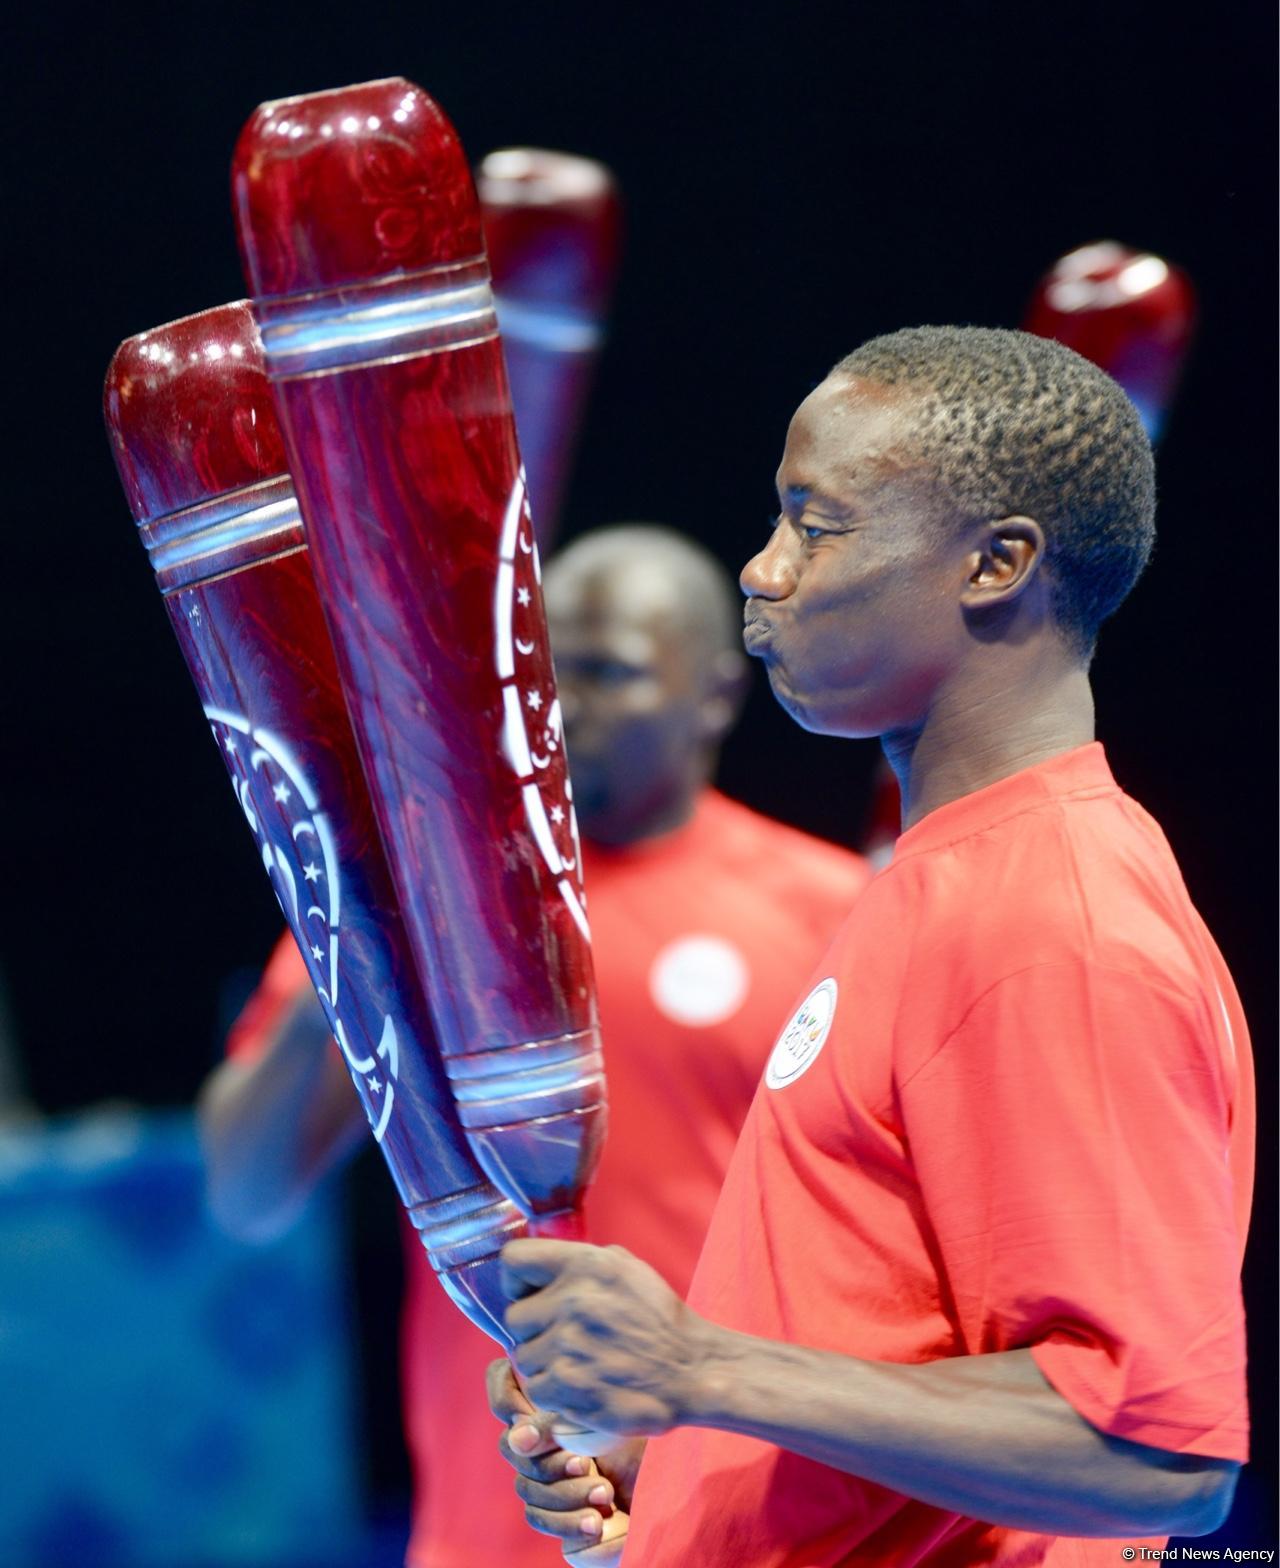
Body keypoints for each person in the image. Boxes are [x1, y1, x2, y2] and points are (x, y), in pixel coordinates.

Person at [488, 327, 1254, 1568]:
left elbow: (1152, 1452)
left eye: (815, 523)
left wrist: (698, 1368)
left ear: (997, 563)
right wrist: (681, 1457)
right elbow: (899, 1346)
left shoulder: (1047, 921)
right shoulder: (939, 885)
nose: (760, 569)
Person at [198, 524, 871, 1568]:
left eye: (607, 671)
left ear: (715, 696)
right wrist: (356, 917)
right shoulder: (426, 898)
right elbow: (246, 1191)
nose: (557, 707)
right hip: (484, 1534)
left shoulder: (838, 913)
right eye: (537, 669)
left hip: (746, 1532)